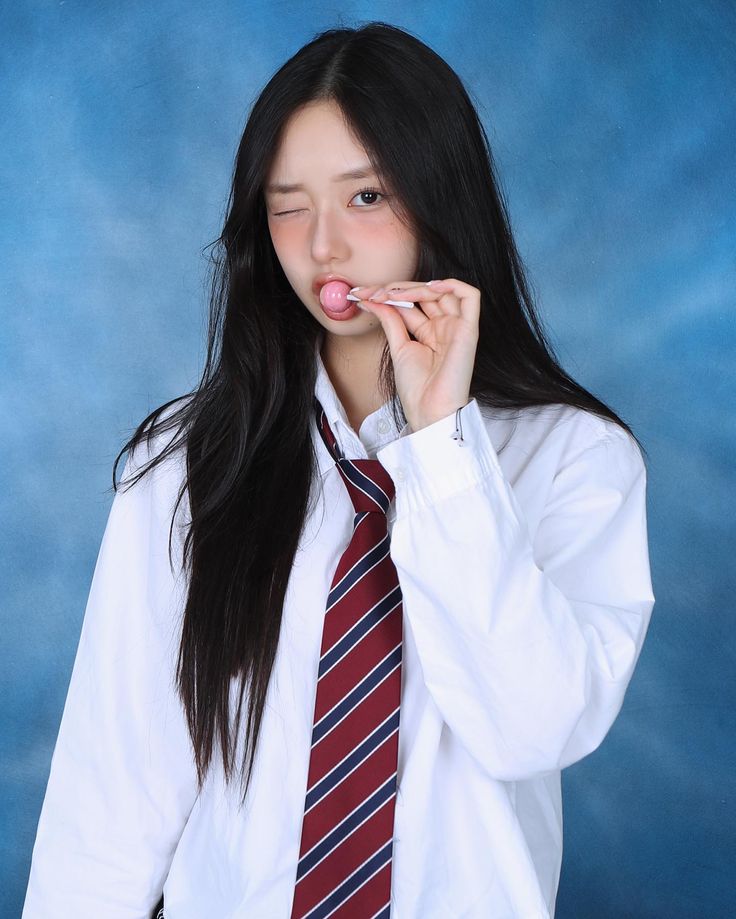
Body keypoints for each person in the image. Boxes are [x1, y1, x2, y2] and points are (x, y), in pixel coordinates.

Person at [22, 20, 655, 919]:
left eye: (365, 197)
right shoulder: (184, 465)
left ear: (440, 196)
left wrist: (438, 446)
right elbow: (113, 789)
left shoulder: (573, 458)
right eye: (289, 204)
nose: (323, 245)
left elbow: (534, 725)